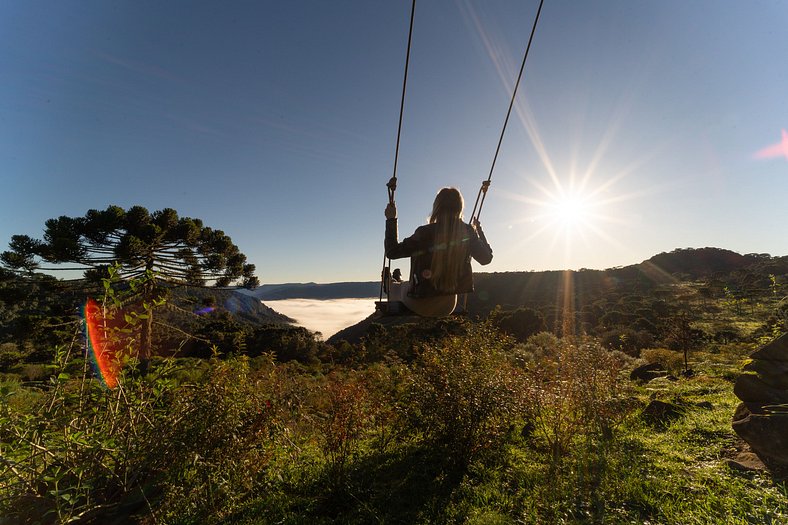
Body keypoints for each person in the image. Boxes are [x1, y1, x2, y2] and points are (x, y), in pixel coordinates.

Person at [384, 186, 493, 316]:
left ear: (437, 207)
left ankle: (390, 284)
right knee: (405, 285)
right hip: (448, 306)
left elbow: (392, 252)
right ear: (459, 208)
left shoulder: (424, 233)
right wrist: (478, 231)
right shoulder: (468, 232)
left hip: (420, 304)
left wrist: (391, 219)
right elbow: (486, 259)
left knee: (401, 288)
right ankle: (396, 281)